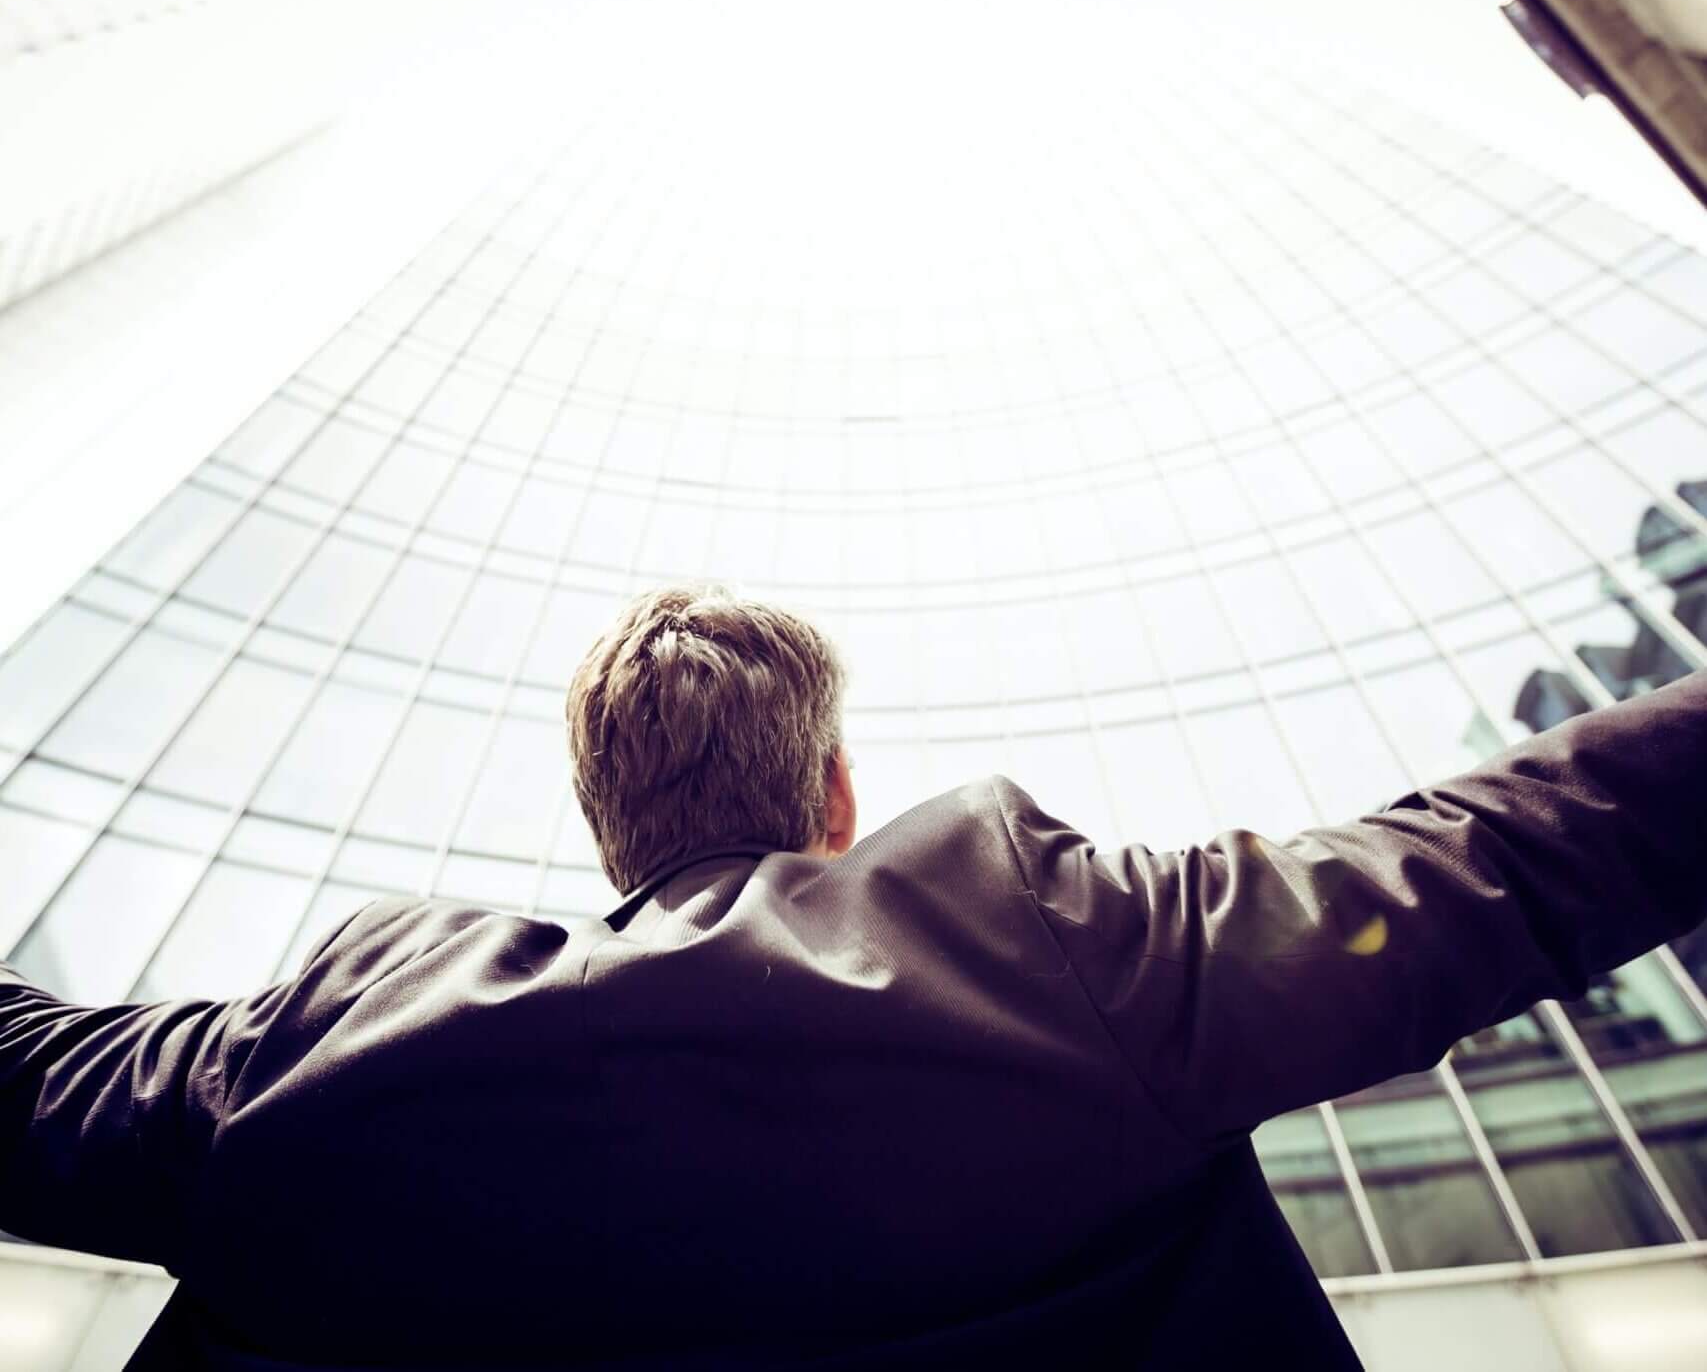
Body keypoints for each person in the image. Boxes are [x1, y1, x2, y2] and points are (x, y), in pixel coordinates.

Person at [2, 581, 1704, 1371]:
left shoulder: (323, 1061)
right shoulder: (1059, 949)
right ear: (835, 801)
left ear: (610, 832)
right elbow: (1519, 851)